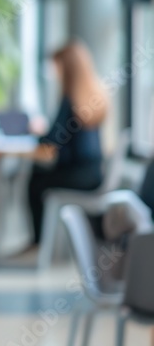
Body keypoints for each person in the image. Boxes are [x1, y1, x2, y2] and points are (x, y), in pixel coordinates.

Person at [26, 41, 109, 248]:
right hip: (95, 173)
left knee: (35, 181)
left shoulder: (70, 99)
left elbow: (52, 141)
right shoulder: (94, 96)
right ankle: (42, 244)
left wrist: (35, 133)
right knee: (39, 176)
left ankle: (39, 244)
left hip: (78, 175)